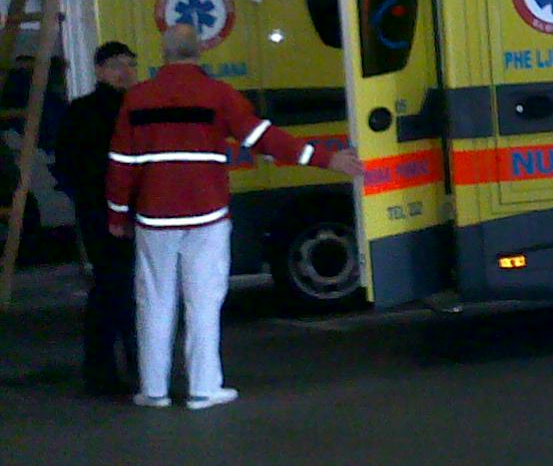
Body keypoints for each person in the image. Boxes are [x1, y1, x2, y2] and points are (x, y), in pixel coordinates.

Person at [106, 25, 364, 409]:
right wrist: (326, 159)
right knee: (203, 303)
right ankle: (203, 389)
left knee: (155, 302)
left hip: (155, 217)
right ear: (199, 51)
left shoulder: (137, 99)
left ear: (163, 53)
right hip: (207, 214)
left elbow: (121, 162)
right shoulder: (218, 94)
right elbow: (264, 138)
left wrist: (117, 213)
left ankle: (154, 390)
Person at [53, 40, 139, 396]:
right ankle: (108, 370)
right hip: (102, 213)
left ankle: (122, 368)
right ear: (100, 70)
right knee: (113, 288)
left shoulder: (136, 106)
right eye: (117, 65)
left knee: (120, 289)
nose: (125, 72)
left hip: (127, 211)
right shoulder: (86, 111)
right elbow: (68, 164)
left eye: (130, 64)